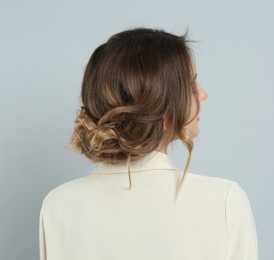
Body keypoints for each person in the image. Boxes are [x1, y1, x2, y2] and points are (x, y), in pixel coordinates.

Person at [39, 27, 258, 260]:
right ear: (160, 109)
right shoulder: (224, 200)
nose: (202, 94)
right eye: (191, 86)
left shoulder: (58, 204)